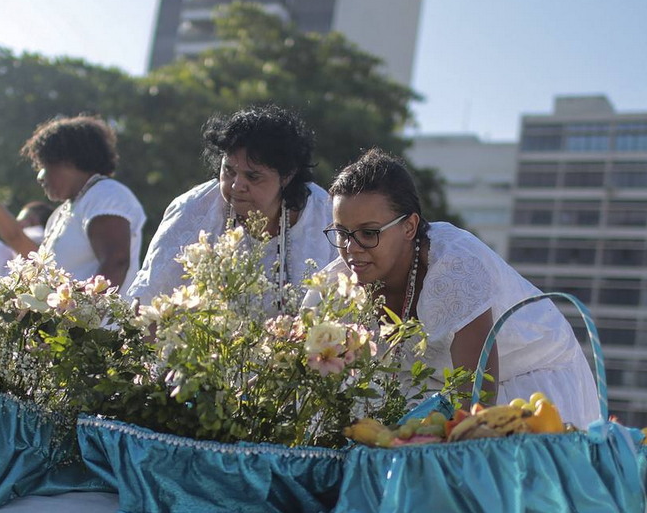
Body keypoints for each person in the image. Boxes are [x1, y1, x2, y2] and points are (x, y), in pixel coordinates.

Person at [316, 147, 600, 427]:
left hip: (528, 385)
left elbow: (478, 400)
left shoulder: (456, 266)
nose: (351, 248)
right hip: (443, 393)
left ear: (409, 227)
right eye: (341, 233)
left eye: (368, 233)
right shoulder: (336, 286)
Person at [128, 106, 335, 310]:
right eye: (228, 171)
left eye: (252, 177)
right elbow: (148, 305)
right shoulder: (191, 210)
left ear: (287, 176)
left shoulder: (323, 213)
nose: (236, 185)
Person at [0, 114, 146, 293]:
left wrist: (83, 321)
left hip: (101, 326)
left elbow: (117, 261)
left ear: (68, 161)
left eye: (43, 166)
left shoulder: (105, 193)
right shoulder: (63, 212)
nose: (40, 177)